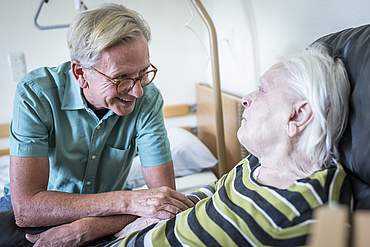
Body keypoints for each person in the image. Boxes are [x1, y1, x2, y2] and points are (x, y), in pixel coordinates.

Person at [110, 45, 352, 246]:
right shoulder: (256, 164)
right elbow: (213, 191)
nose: (246, 98)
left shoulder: (305, 211)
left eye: (263, 90)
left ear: (297, 116)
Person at [0, 3, 193, 246]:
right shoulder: (36, 94)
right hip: (33, 219)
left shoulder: (148, 99)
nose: (138, 91)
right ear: (80, 73)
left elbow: (163, 200)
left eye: (143, 73)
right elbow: (27, 208)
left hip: (108, 219)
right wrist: (129, 201)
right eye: (121, 77)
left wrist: (89, 227)